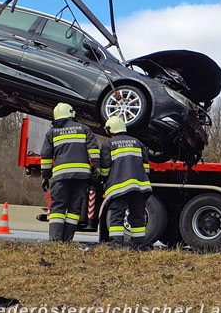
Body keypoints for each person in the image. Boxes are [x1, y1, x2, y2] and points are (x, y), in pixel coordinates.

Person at [40, 102, 100, 242]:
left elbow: (46, 157)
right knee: (74, 208)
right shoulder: (84, 129)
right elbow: (94, 151)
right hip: (82, 176)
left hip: (61, 177)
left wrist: (45, 177)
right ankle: (67, 240)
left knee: (57, 208)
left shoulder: (52, 133)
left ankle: (55, 240)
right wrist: (97, 169)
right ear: (71, 114)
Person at [99, 116, 151, 249]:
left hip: (119, 187)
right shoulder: (137, 142)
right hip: (140, 187)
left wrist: (104, 180)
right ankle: (139, 245)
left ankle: (116, 244)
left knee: (117, 216)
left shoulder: (108, 144)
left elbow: (105, 169)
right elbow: (146, 167)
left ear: (110, 130)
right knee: (138, 216)